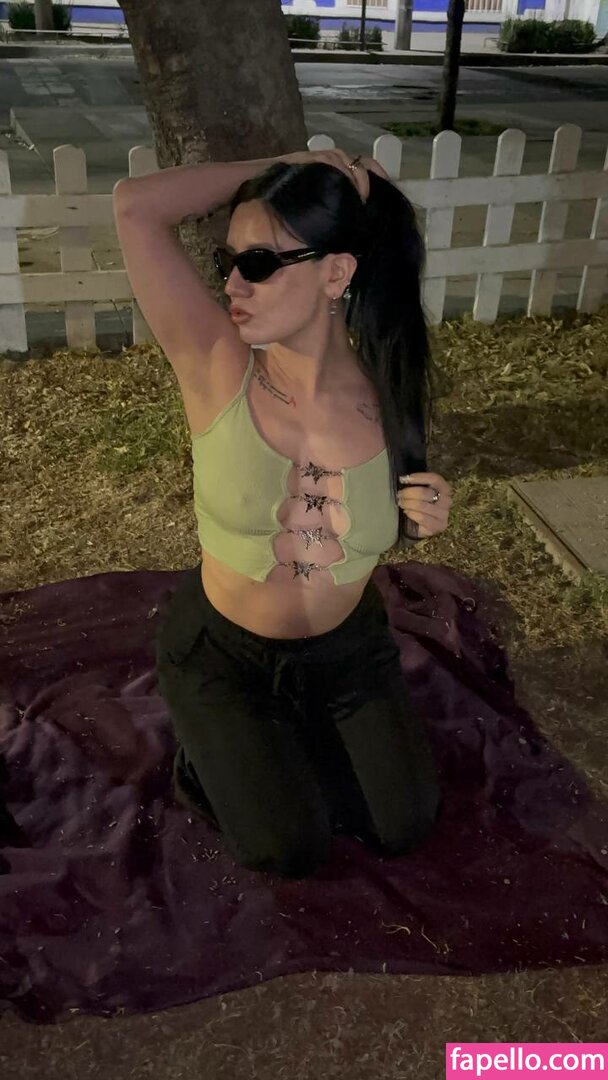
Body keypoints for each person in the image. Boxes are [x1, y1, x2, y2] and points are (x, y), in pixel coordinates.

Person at [113, 147, 453, 879]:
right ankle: (211, 755)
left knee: (403, 824)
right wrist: (288, 160)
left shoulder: (388, 386)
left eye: (260, 263)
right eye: (228, 262)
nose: (233, 284)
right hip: (223, 656)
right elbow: (135, 206)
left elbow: (395, 511)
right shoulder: (214, 363)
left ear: (336, 273)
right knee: (286, 848)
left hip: (348, 655)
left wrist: (425, 511)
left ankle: (281, 745)